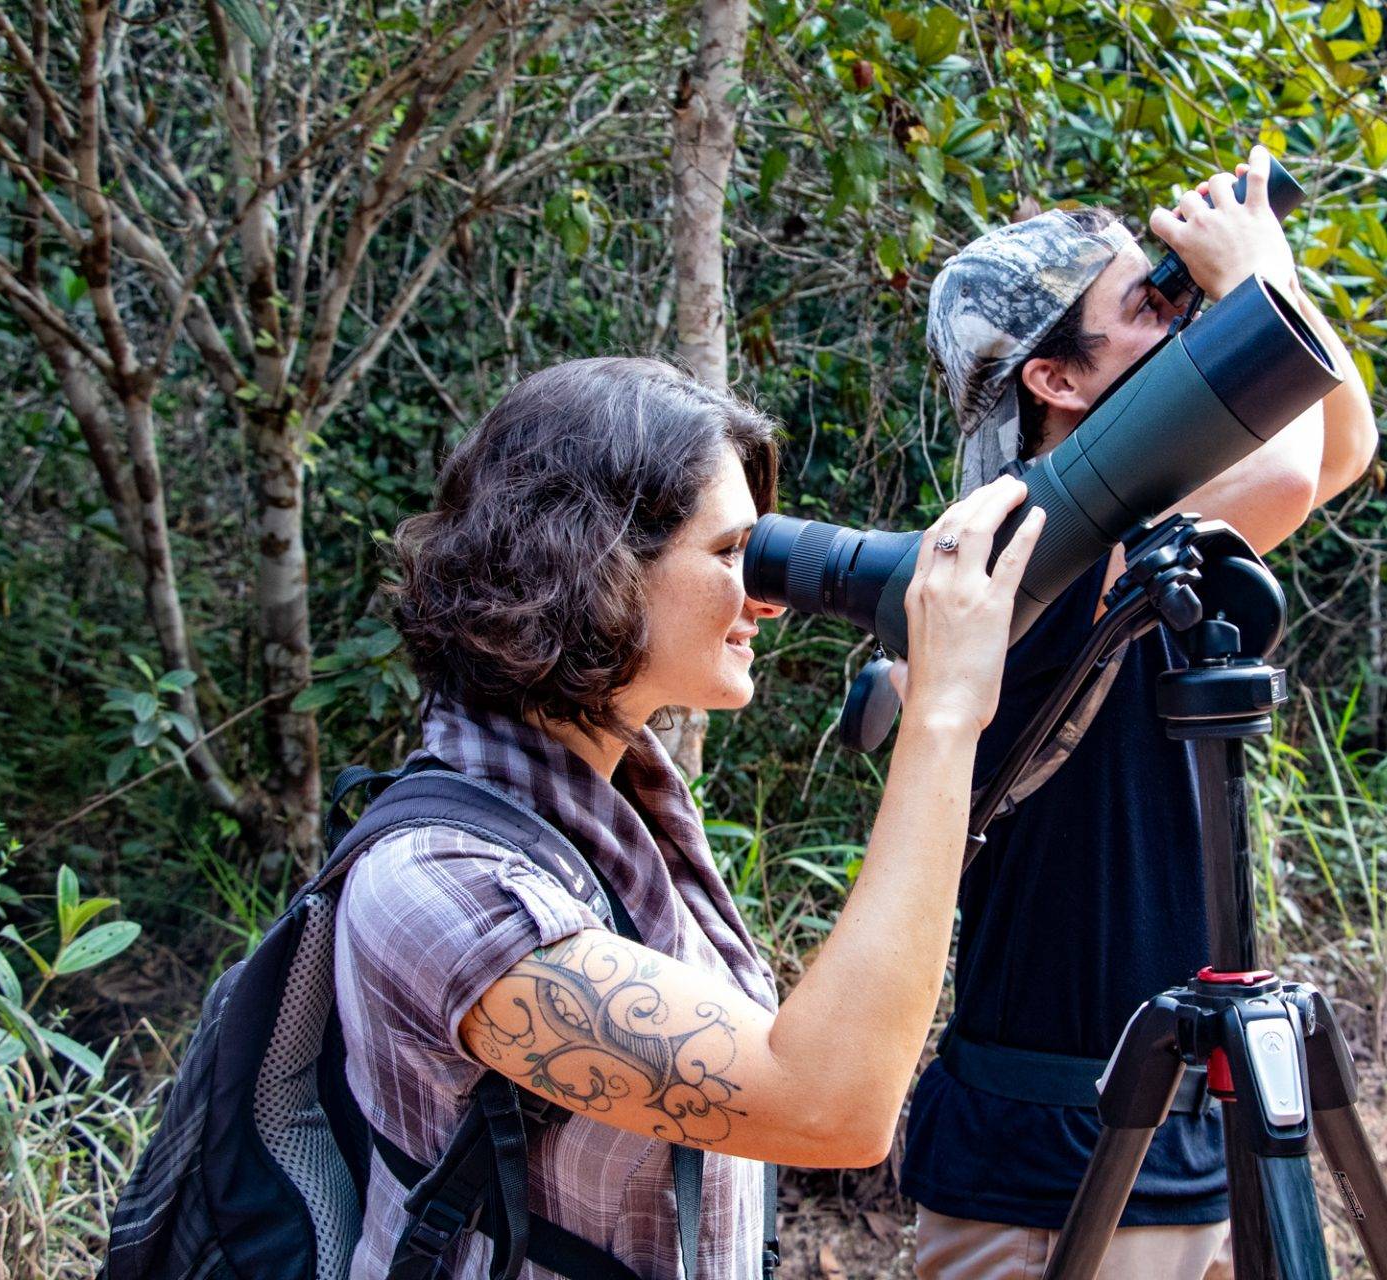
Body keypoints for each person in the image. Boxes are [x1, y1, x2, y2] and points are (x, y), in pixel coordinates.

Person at [333, 356, 1046, 1279]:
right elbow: (830, 1104)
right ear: (591, 564)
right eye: (730, 553)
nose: (767, 600)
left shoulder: (616, 804)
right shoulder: (446, 887)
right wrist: (943, 716)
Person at [900, 146, 1378, 1279]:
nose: (1186, 320)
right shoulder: (1022, 547)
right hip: (1054, 1172)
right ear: (1055, 380)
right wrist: (1255, 281)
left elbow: (1339, 445)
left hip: (1177, 1134)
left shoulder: (1139, 521)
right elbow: (1288, 475)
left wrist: (1269, 272)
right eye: (1149, 310)